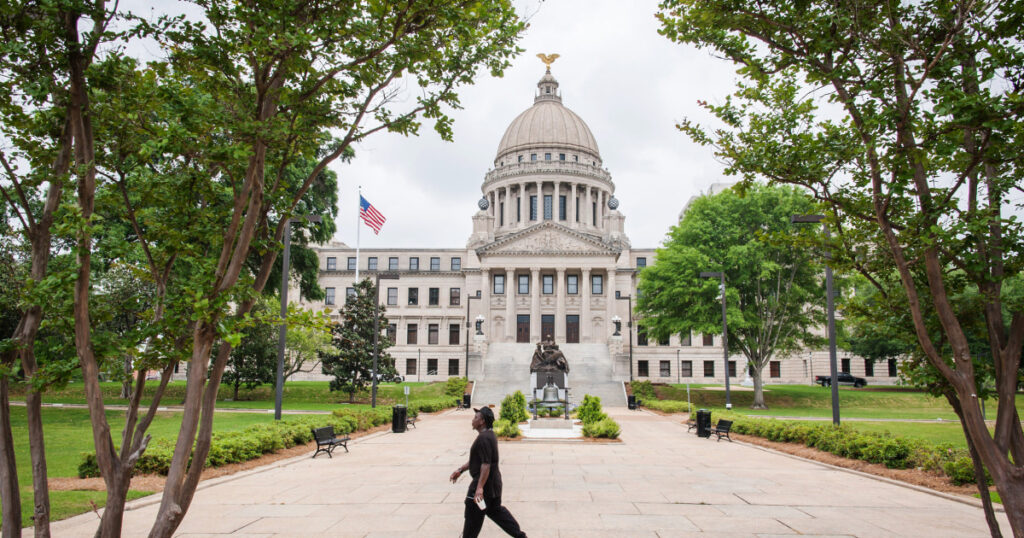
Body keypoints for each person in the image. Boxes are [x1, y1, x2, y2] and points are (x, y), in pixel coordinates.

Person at [449, 407, 526, 538]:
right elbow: (477, 461)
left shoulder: (483, 439)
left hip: (482, 489)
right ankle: (520, 536)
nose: (473, 420)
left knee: (472, 521)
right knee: (496, 511)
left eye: (476, 418)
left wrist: (479, 488)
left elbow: (486, 464)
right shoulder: (490, 435)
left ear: (482, 421)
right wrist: (460, 470)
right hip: (494, 486)